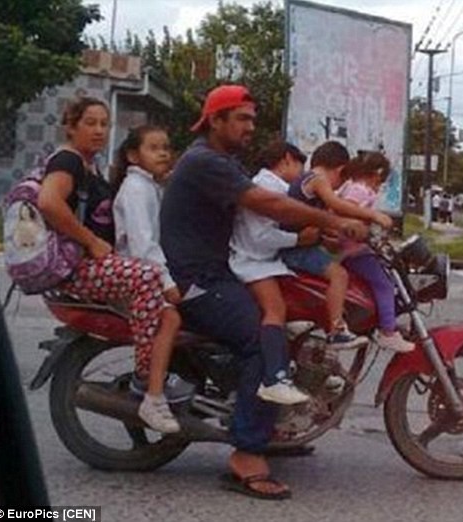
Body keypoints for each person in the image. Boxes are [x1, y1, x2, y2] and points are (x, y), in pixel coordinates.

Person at [160, 84, 367, 500]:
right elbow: (268, 205)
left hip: (219, 271)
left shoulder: (223, 161)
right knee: (263, 340)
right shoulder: (205, 162)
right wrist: (333, 221)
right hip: (197, 281)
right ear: (215, 120)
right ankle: (247, 453)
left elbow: (268, 219)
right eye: (242, 118)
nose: (250, 126)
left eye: (252, 119)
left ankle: (268, 421)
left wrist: (316, 236)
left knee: (284, 322)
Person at [37, 98, 193, 433]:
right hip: (76, 267)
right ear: (71, 127)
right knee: (149, 276)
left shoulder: (91, 166)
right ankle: (145, 381)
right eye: (90, 123)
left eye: (104, 124)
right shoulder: (68, 160)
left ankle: (156, 391)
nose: (99, 130)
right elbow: (48, 202)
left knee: (170, 315)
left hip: (96, 265)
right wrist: (91, 241)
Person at [111, 125, 192, 433]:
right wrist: (167, 283)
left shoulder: (149, 186)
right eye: (154, 148)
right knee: (171, 318)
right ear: (134, 155)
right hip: (136, 277)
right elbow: (143, 245)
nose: (163, 154)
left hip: (145, 273)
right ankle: (153, 394)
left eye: (166, 148)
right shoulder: (135, 188)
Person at [280, 141, 391, 349]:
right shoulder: (317, 178)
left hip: (299, 246)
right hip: (296, 250)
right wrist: (373, 215)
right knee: (339, 275)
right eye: (343, 181)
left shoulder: (308, 182)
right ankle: (336, 330)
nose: (340, 189)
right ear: (340, 170)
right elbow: (338, 205)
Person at [230, 140, 315, 405]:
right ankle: (275, 378)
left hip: (265, 260)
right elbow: (260, 237)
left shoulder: (271, 185)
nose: (301, 174)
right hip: (252, 261)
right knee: (275, 309)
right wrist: (298, 240)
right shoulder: (269, 188)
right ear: (287, 159)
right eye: (300, 166)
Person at [337, 152, 415, 353]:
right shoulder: (359, 190)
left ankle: (384, 321)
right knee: (385, 284)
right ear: (375, 175)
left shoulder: (350, 186)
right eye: (380, 182)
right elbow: (347, 212)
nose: (379, 187)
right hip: (352, 251)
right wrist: (373, 219)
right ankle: (387, 331)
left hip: (351, 249)